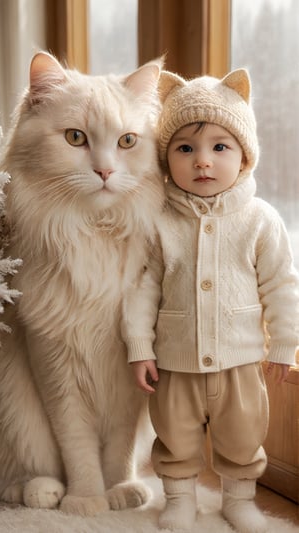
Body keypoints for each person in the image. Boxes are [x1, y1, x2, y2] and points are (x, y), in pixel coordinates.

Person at [121, 68, 299, 532]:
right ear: (167, 159)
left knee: (243, 435)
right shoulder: (161, 220)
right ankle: (179, 499)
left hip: (239, 360)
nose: (203, 161)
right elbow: (143, 287)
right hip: (175, 360)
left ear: (243, 158)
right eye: (185, 148)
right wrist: (139, 346)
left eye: (219, 147)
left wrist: (283, 343)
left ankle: (238, 500)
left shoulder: (260, 219)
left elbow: (282, 284)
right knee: (174, 435)